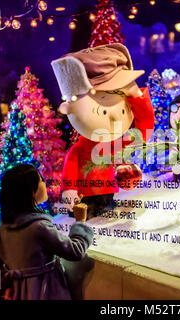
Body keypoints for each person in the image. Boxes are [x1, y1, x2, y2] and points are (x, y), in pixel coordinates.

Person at [51, 43, 154, 219]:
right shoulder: (80, 148)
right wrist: (69, 188)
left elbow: (143, 133)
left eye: (123, 110)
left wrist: (136, 96)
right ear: (68, 108)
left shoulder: (113, 143)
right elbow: (70, 167)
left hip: (108, 195)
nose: (115, 119)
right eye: (103, 111)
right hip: (85, 197)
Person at [0, 163, 94, 300]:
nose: (44, 182)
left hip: (18, 293)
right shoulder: (40, 228)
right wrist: (80, 221)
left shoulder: (2, 230)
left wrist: (2, 288)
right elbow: (75, 251)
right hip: (47, 292)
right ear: (31, 191)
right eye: (40, 180)